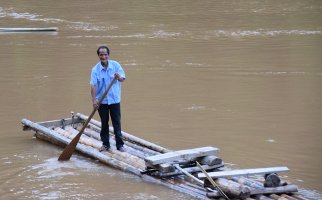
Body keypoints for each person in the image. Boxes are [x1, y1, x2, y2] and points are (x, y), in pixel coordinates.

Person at [90, 45, 126, 152]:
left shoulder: (115, 65)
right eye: (101, 55)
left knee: (116, 123)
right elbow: (93, 86)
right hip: (102, 101)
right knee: (104, 123)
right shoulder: (95, 70)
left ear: (108, 55)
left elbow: (123, 78)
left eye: (105, 54)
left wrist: (119, 77)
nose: (103, 57)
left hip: (114, 100)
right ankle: (106, 144)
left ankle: (120, 145)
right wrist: (94, 100)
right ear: (98, 56)